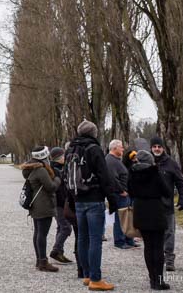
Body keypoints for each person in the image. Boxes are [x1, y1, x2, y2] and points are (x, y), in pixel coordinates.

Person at [65, 119, 120, 291]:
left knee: (82, 238)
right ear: (93, 133)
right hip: (94, 199)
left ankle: (87, 275)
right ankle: (96, 279)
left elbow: (66, 177)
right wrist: (112, 199)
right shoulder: (94, 149)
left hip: (78, 199)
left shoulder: (71, 149)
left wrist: (71, 200)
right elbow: (104, 176)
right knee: (95, 240)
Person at [128, 149, 174, 290]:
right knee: (158, 246)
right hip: (155, 210)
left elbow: (130, 191)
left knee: (148, 246)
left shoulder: (132, 173)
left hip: (140, 210)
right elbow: (167, 191)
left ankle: (152, 279)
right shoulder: (155, 172)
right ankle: (159, 280)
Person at [22, 146, 62, 272]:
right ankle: (43, 262)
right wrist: (57, 179)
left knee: (38, 233)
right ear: (43, 156)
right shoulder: (41, 170)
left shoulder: (31, 168)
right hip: (44, 205)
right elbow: (50, 187)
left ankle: (39, 260)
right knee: (42, 234)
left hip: (35, 205)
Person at [151, 136, 183, 271]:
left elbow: (181, 182)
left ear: (163, 148)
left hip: (167, 205)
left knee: (169, 233)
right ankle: (156, 258)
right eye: (154, 146)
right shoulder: (147, 162)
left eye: (159, 146)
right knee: (153, 234)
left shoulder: (171, 163)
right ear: (151, 148)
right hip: (151, 206)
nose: (156, 149)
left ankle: (169, 260)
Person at [106, 139, 138, 249]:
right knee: (120, 218)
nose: (123, 149)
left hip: (124, 194)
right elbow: (112, 178)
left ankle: (129, 239)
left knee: (127, 218)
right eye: (121, 147)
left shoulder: (116, 160)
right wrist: (121, 191)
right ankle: (119, 241)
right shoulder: (110, 160)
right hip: (119, 195)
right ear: (114, 148)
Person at [49, 146, 74, 264]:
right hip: (58, 203)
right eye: (63, 156)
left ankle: (59, 252)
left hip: (61, 202)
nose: (65, 158)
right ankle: (56, 250)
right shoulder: (54, 170)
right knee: (66, 227)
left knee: (61, 227)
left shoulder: (60, 168)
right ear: (58, 158)